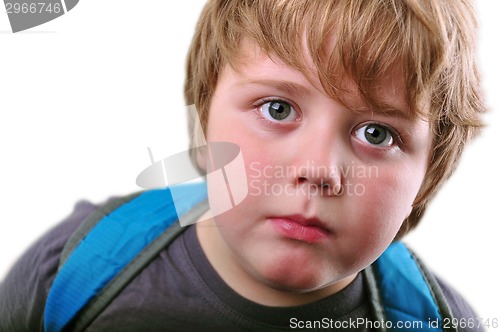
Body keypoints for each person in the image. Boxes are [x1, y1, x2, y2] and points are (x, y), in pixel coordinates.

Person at [0, 0, 487, 331]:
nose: (318, 170)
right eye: (277, 109)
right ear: (206, 109)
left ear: (428, 175)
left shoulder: (441, 319)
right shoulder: (75, 268)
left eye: (376, 134)